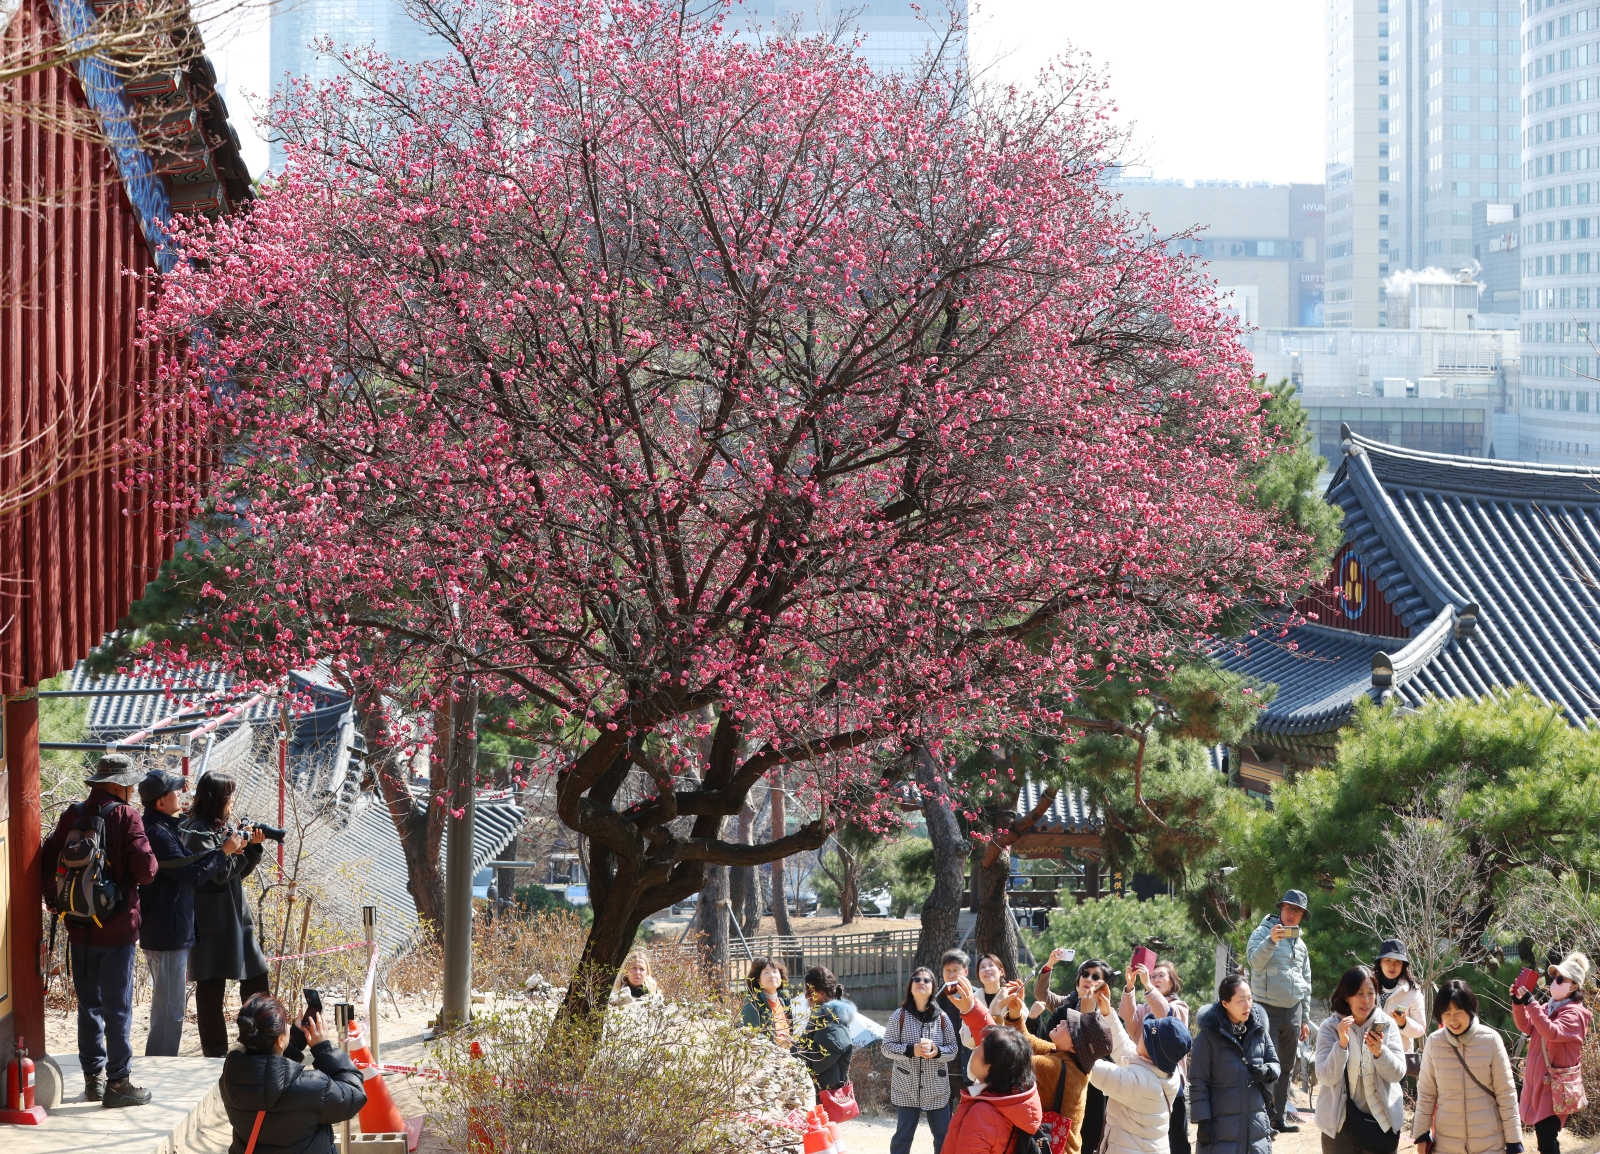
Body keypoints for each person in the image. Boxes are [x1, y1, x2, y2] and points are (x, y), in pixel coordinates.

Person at [40, 753, 160, 1106]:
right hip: (118, 928)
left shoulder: (73, 814)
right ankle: (119, 1083)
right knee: (117, 1008)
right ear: (120, 785)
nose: (133, 789)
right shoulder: (126, 816)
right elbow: (147, 871)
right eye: (130, 784)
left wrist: (55, 900)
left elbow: (47, 858)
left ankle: (93, 1080)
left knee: (88, 1005)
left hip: (79, 926)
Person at [136, 769, 242, 1057]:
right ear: (160, 802)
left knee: (169, 1006)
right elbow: (192, 875)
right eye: (174, 791)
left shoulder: (163, 826)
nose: (180, 794)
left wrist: (223, 849)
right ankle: (160, 1067)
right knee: (170, 1010)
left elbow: (187, 861)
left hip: (166, 927)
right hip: (167, 930)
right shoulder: (157, 832)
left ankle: (160, 1063)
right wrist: (223, 853)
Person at [953, 973, 1111, 1154]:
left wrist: (995, 1012)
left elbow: (1007, 1057)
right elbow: (1027, 1041)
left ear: (1074, 1046)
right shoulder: (1069, 1058)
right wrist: (1015, 1014)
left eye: (1069, 1025)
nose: (1062, 1020)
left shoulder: (1056, 1068)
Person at [185, 772, 269, 1057]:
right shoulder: (196, 830)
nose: (232, 800)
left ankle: (260, 1042)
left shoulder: (223, 826)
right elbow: (219, 874)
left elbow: (236, 874)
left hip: (236, 917)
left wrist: (252, 848)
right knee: (211, 988)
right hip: (212, 921)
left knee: (256, 977)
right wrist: (232, 850)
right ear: (216, 798)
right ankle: (216, 1053)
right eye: (229, 795)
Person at [219, 993, 366, 1154]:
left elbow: (265, 1076)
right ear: (280, 1040)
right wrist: (323, 1050)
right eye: (286, 1026)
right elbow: (354, 1095)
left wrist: (292, 1041)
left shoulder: (230, 1080)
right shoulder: (313, 1088)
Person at [1081, 973, 1191, 1154]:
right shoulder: (1163, 1070)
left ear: (1153, 1051)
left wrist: (1086, 1015)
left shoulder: (1139, 1083)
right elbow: (1124, 1047)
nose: (1140, 1036)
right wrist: (1107, 1012)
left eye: (1146, 1036)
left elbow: (1088, 1064)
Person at [1412, 979, 1522, 1154]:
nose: (1452, 1020)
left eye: (1458, 1012)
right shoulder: (1434, 1042)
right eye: (1446, 1013)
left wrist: (1514, 1141)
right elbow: (1426, 1094)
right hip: (1447, 1145)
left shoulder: (1491, 1040)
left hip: (1489, 1144)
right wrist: (1421, 1134)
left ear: (1470, 1010)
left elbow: (1506, 1094)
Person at [1313, 964, 1405, 1154]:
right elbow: (1326, 1078)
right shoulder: (1330, 1027)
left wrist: (1380, 1053)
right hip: (1339, 1127)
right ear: (1346, 996)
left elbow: (1397, 1074)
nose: (1366, 1000)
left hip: (1381, 1123)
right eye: (1358, 994)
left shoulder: (1387, 1025)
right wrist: (1341, 1045)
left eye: (1371, 993)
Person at [1511, 951, 1593, 1154]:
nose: (1554, 982)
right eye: (1554, 977)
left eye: (1560, 979)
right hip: (1540, 1083)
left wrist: (1531, 1003)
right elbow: (1527, 1026)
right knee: (1545, 1140)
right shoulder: (1548, 1007)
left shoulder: (1576, 1014)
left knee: (1547, 1141)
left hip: (1555, 1088)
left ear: (1575, 986)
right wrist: (1518, 1003)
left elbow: (1551, 1032)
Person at [1246, 888, 1313, 1132]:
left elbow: (1306, 980)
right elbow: (1254, 962)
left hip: (1293, 1011)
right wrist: (1271, 941)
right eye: (1289, 908)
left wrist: (1305, 1018)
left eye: (1298, 911)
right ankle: (1262, 1120)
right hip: (1266, 1008)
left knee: (1286, 1067)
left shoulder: (1301, 944)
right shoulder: (1263, 932)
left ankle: (1279, 1118)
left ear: (1302, 915)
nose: (1292, 914)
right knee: (1267, 1066)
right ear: (1281, 909)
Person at [1189, 973, 1278, 1154]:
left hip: (1256, 1128)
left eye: (1250, 998)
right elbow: (1198, 1082)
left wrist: (1267, 1071)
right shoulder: (1208, 1036)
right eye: (1240, 1000)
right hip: (1221, 1128)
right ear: (1225, 1003)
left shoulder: (1259, 1030)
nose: (1247, 1005)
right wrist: (1203, 1120)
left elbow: (1275, 1063)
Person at [1039, 957, 1116, 1154]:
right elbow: (1047, 1040)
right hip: (1060, 1083)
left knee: (1088, 1141)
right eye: (1085, 974)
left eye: (1096, 977)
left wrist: (1091, 1015)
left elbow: (1110, 1054)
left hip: (1094, 1091)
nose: (1088, 979)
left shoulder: (1109, 1017)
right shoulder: (1065, 1009)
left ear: (1105, 985)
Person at [883, 966, 960, 1153]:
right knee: (902, 1138)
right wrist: (911, 1050)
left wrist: (937, 1052)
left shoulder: (942, 1018)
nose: (921, 982)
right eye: (917, 979)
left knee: (943, 1137)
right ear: (910, 986)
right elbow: (886, 1047)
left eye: (927, 980)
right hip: (906, 1088)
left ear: (933, 987)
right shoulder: (899, 1016)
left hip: (937, 1089)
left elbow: (953, 1049)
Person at [942, 1010, 1043, 1154]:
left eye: (980, 1047)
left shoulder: (981, 1114)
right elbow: (1001, 1044)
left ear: (990, 1067)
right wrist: (971, 1008)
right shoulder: (1017, 1099)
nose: (975, 1048)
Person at [1122, 959, 1193, 1154]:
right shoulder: (1145, 1007)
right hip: (1144, 1078)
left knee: (1176, 1140)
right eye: (1153, 976)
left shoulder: (1179, 1006)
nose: (1155, 979)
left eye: (1161, 976)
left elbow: (1165, 1016)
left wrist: (1147, 985)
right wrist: (1129, 987)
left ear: (1172, 982)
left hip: (1171, 1082)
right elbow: (1128, 1021)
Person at [793, 965, 855, 1096]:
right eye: (805, 991)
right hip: (823, 1089)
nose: (806, 996)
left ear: (823, 992)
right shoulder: (823, 1015)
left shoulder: (833, 1021)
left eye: (810, 992)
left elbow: (816, 1060)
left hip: (827, 1093)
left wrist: (792, 1051)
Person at [1372, 940, 1425, 1071]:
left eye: (1397, 961)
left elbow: (1421, 1029)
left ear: (1403, 965)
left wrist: (1404, 1023)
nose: (1392, 966)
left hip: (1398, 1059)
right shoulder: (1367, 986)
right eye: (1388, 960)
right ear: (1380, 962)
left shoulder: (1413, 991)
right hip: (1368, 1056)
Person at [938, 949, 975, 1108]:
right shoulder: (936, 998)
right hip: (941, 1070)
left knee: (968, 1116)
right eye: (948, 970)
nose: (951, 974)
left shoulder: (975, 996)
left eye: (956, 970)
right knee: (941, 1119)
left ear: (965, 972)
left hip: (968, 1071)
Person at [960, 954, 1011, 1049]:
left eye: (991, 965)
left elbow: (1022, 1031)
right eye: (982, 967)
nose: (987, 969)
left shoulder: (1011, 996)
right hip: (980, 1054)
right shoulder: (972, 1000)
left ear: (1001, 972)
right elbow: (966, 1039)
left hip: (1008, 1053)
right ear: (979, 975)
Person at [740, 956, 793, 1044]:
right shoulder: (752, 1005)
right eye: (766, 972)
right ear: (758, 980)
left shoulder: (785, 1000)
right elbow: (753, 1041)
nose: (772, 975)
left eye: (775, 971)